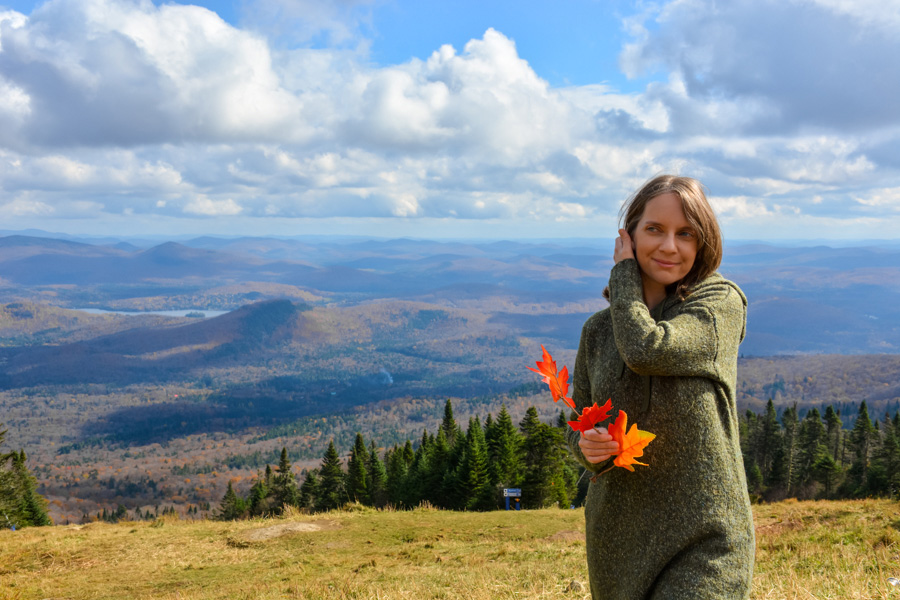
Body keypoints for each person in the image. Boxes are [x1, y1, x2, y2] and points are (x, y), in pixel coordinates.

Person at [566, 174, 754, 599]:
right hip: (619, 545)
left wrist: (624, 275)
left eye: (686, 234)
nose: (670, 246)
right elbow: (578, 425)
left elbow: (647, 349)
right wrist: (587, 449)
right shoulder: (597, 332)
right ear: (629, 234)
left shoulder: (719, 304)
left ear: (703, 243)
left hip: (705, 539)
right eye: (655, 229)